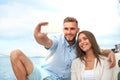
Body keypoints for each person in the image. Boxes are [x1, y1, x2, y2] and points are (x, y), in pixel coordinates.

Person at [10, 17, 115, 80]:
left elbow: (96, 50)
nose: (69, 32)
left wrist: (110, 52)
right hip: (45, 75)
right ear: (63, 29)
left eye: (72, 29)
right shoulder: (57, 39)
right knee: (15, 54)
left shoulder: (81, 46)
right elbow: (47, 42)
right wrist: (39, 37)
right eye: (66, 29)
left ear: (77, 29)